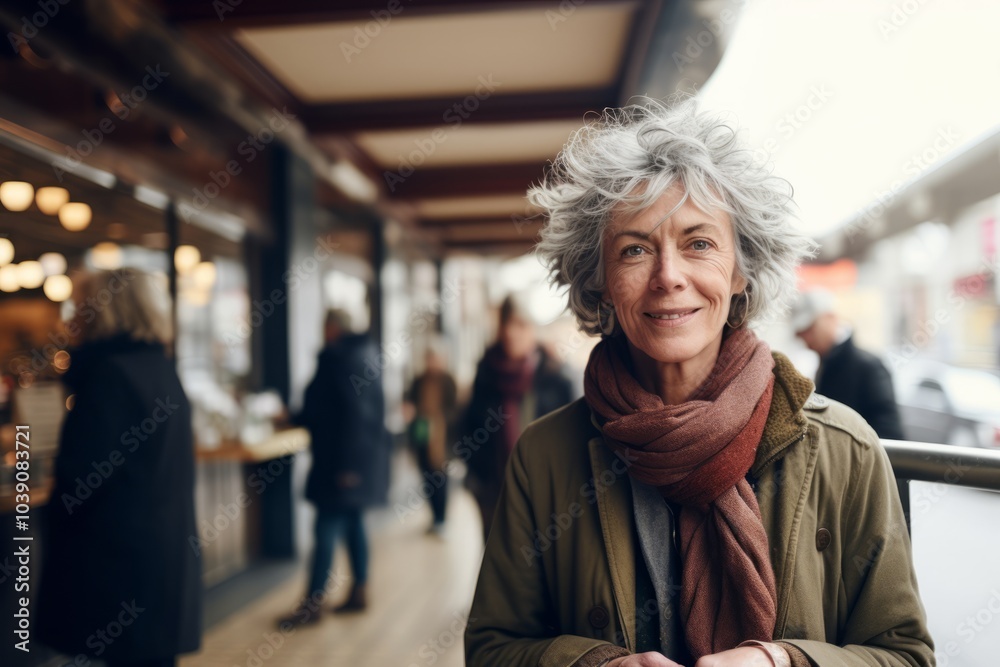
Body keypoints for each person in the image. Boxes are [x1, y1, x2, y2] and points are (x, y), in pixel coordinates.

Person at [465, 100, 934, 667]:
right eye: (634, 249)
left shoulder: (845, 451)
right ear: (602, 281)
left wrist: (783, 663)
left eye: (699, 243)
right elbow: (492, 649)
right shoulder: (543, 458)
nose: (668, 276)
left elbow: (906, 655)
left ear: (741, 270)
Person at [37, 268, 201, 667]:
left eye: (81, 307)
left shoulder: (108, 375)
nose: (72, 317)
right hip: (161, 560)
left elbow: (83, 478)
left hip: (119, 566)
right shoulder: (160, 368)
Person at [283, 309, 390, 623]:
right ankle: (360, 589)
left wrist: (346, 468)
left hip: (340, 463)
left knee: (326, 526)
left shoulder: (338, 358)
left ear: (331, 328)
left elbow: (344, 414)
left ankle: (313, 602)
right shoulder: (367, 353)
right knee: (354, 522)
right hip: (360, 461)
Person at [463, 294, 574, 540]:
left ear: (533, 329)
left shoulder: (556, 378)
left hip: (546, 498)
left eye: (520, 325)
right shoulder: (485, 373)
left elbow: (574, 440)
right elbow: (469, 429)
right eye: (506, 324)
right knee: (500, 569)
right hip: (495, 495)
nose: (511, 333)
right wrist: (478, 483)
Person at [790, 288, 905, 440]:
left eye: (809, 329)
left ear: (830, 318)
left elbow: (889, 433)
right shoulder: (825, 365)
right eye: (801, 333)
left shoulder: (868, 366)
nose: (805, 338)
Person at [406, 341, 459, 534]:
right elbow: (410, 402)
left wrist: (439, 421)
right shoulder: (418, 381)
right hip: (422, 434)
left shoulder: (448, 381)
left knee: (441, 479)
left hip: (442, 438)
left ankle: (442, 518)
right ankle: (434, 517)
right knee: (426, 477)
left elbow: (455, 410)